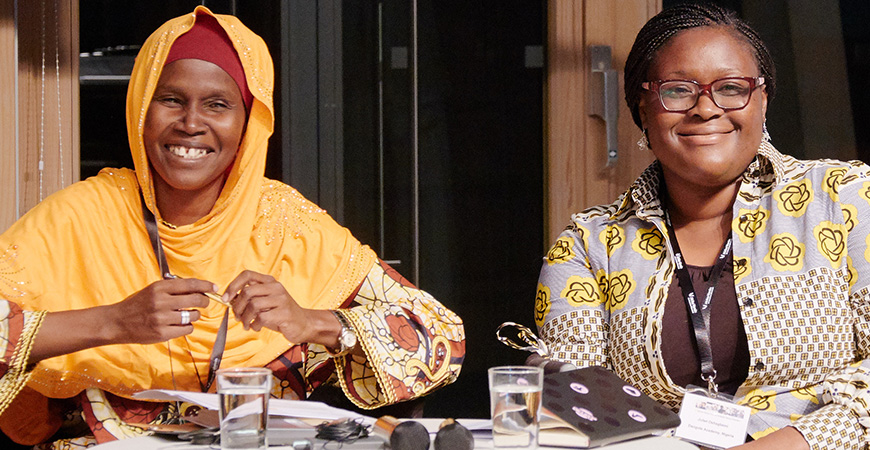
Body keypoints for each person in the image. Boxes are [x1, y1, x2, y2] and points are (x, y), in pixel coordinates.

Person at [0, 6, 465, 447]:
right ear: (141, 109)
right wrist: (112, 322)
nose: (191, 124)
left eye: (218, 105)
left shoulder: (284, 221)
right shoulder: (80, 217)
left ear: (249, 123)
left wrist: (312, 322)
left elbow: (440, 337)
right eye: (171, 100)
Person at [535, 3, 870, 449]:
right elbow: (575, 410)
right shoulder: (589, 245)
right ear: (642, 105)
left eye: (732, 88)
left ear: (763, 100)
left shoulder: (846, 198)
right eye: (678, 90)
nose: (705, 109)